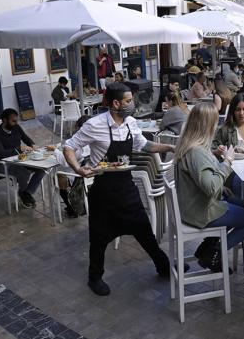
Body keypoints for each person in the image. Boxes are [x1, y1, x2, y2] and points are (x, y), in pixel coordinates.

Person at [63, 83, 175, 296]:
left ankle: (164, 267)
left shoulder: (131, 123)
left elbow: (144, 145)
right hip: (103, 192)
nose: (132, 104)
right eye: (128, 101)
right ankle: (94, 278)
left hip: (126, 188)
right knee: (98, 238)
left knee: (143, 229)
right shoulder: (94, 125)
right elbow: (69, 146)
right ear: (115, 103)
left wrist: (169, 147)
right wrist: (78, 169)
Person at [175, 103, 244, 272]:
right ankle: (214, 253)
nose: (216, 125)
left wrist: (216, 156)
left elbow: (205, 180)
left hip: (193, 207)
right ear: (207, 124)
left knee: (240, 204)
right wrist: (227, 161)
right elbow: (211, 187)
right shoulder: (196, 152)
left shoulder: (189, 145)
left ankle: (207, 246)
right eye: (214, 121)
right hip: (202, 213)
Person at [0, 108, 46, 209]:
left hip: (20, 160)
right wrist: (18, 148)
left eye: (16, 120)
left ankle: (26, 193)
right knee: (24, 171)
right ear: (4, 120)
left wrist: (32, 145)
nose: (16, 123)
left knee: (41, 169)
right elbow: (0, 154)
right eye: (13, 121)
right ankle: (24, 194)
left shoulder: (16, 127)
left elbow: (25, 138)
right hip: (4, 164)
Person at [54, 115, 91, 218]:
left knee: (59, 176)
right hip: (92, 175)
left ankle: (72, 207)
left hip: (79, 175)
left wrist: (54, 150)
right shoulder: (94, 140)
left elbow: (65, 161)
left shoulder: (79, 144)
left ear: (77, 127)